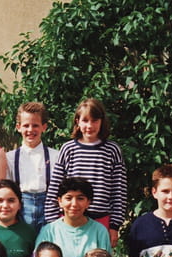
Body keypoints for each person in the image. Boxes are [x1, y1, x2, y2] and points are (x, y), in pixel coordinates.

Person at [45, 98, 127, 247]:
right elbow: (55, 187)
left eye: (94, 121)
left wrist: (115, 226)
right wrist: (52, 221)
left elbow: (119, 191)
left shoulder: (112, 150)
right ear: (77, 121)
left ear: (101, 122)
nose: (89, 126)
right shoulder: (68, 149)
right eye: (85, 120)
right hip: (71, 219)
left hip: (100, 219)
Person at [35, 177, 111, 257]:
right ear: (60, 201)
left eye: (80, 198)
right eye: (68, 198)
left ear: (88, 202)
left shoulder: (99, 231)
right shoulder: (49, 231)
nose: (74, 204)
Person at [6, 102, 58, 235]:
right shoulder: (10, 158)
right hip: (21, 209)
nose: (30, 130)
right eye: (26, 125)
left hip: (48, 209)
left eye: (35, 125)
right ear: (18, 127)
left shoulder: (55, 156)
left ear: (44, 127)